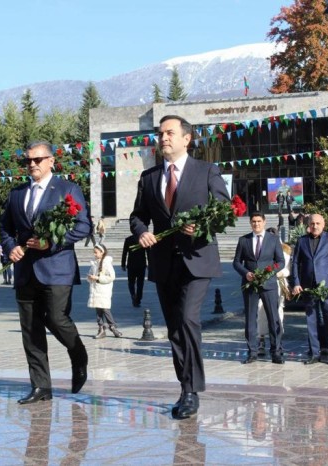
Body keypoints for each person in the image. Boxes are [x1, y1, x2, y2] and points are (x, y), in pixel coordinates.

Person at [130, 114, 230, 420]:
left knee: (188, 319)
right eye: (160, 134)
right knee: (174, 328)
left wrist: (201, 226)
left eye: (169, 133)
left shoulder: (206, 171)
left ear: (187, 138)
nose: (163, 138)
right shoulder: (149, 178)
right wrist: (141, 232)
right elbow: (137, 216)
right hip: (162, 262)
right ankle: (185, 386)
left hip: (197, 259)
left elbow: (224, 210)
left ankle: (191, 390)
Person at [0, 140, 91, 405]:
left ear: (51, 160)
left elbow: (83, 225)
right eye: (27, 160)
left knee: (56, 318)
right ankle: (41, 386)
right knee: (30, 329)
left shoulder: (67, 189)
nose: (31, 164)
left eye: (37, 159)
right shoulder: (17, 193)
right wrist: (10, 248)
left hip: (57, 268)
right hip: (25, 270)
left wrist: (52, 242)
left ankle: (78, 354)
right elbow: (5, 226)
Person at [232, 213, 286, 364]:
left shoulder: (273, 240)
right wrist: (245, 273)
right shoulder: (244, 240)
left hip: (268, 285)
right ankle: (252, 352)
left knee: (273, 318)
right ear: (250, 223)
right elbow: (236, 262)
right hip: (250, 285)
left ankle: (276, 351)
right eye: (253, 222)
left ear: (264, 222)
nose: (256, 224)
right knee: (250, 319)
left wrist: (270, 272)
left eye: (259, 221)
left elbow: (280, 262)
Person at [291, 214, 328, 365]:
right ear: (308, 224)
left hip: (326, 287)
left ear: (323, 224)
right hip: (308, 287)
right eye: (312, 223)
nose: (315, 226)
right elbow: (295, 263)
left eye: (318, 223)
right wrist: (296, 282)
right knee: (311, 320)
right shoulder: (302, 241)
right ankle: (314, 353)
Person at [87, 244, 122, 339]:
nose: (94, 254)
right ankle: (101, 329)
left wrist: (98, 278)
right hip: (95, 289)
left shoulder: (107, 263)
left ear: (102, 252)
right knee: (98, 309)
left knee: (105, 309)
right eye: (93, 252)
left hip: (103, 289)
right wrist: (90, 277)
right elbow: (91, 273)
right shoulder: (94, 263)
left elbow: (111, 277)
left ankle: (112, 326)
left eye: (96, 252)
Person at [121, 234, 147, 308]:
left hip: (131, 265)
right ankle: (138, 299)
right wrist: (150, 264)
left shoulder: (128, 239)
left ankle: (133, 295)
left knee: (131, 282)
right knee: (140, 283)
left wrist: (123, 264)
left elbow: (124, 252)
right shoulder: (144, 239)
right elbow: (148, 252)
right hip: (141, 264)